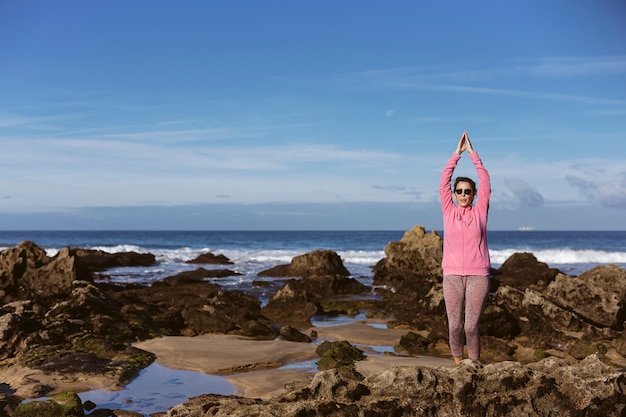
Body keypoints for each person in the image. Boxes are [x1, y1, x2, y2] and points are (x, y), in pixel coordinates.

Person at [439, 131, 491, 364]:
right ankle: (459, 365)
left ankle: (475, 366)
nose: (462, 194)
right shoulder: (448, 211)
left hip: (478, 276)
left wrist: (473, 155)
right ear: (453, 194)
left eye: (467, 191)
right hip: (451, 276)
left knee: (471, 326)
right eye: (458, 191)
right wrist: (456, 155)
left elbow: (486, 181)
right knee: (454, 326)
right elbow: (443, 179)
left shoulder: (480, 212)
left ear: (474, 195)